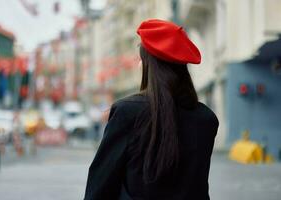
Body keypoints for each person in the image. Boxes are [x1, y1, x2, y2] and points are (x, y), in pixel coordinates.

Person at [84, 19, 219, 200]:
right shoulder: (206, 119)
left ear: (149, 65)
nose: (139, 64)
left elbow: (100, 184)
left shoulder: (127, 112)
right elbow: (198, 188)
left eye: (141, 59)